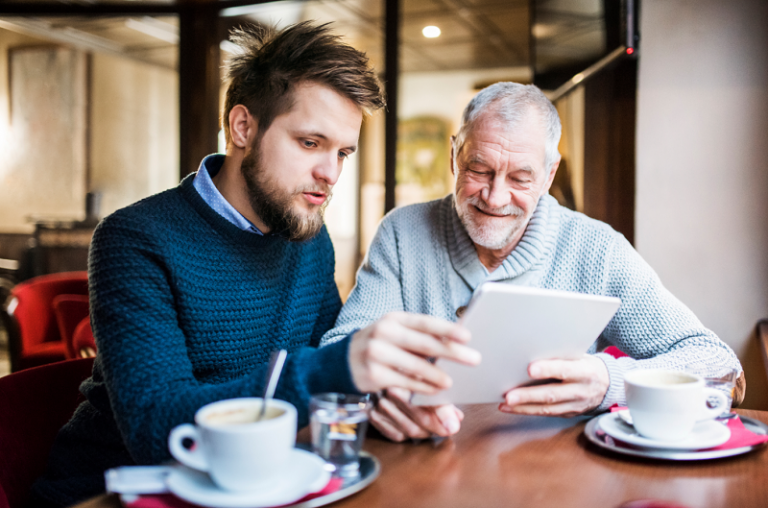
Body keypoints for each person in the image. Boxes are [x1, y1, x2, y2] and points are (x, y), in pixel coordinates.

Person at [32, 22, 479, 507]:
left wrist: (385, 400)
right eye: (310, 143)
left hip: (256, 483)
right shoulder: (135, 239)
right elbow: (159, 429)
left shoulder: (308, 237)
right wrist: (342, 367)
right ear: (242, 127)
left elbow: (326, 380)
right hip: (114, 492)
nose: (331, 174)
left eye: (343, 152)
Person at [321, 82, 743, 442]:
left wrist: (608, 382)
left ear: (549, 173)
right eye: (479, 169)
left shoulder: (596, 249)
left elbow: (719, 363)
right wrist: (376, 393)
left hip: (556, 475)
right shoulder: (402, 232)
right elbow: (339, 349)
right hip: (428, 463)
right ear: (454, 155)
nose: (495, 197)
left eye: (521, 178)